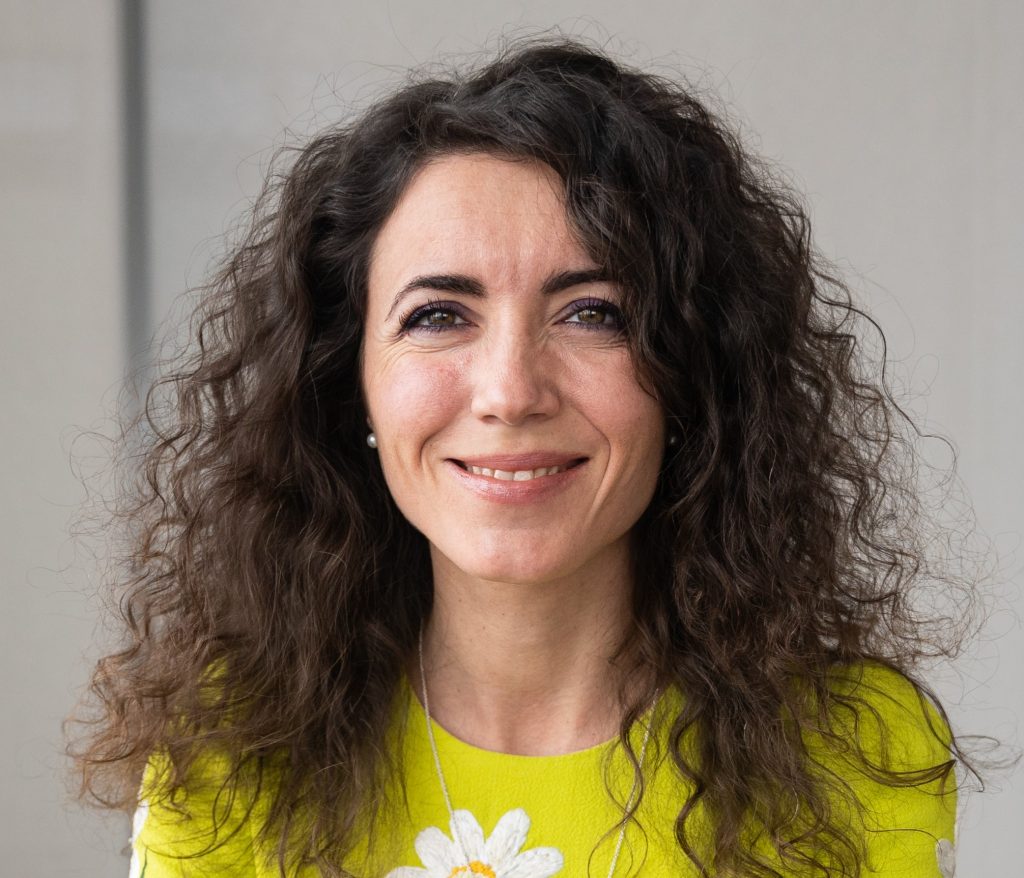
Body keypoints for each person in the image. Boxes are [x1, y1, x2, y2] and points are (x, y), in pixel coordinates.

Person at [68, 37, 972, 878]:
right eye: (438, 316)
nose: (510, 390)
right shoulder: (227, 756)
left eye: (593, 313)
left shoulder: (854, 751)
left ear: (695, 374)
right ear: (349, 384)